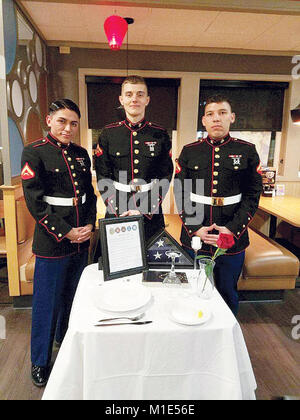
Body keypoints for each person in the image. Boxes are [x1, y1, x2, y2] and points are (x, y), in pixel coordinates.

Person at [21, 99, 97, 387]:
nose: (68, 128)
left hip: (81, 241)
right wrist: (66, 231)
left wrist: (89, 225)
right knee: (46, 304)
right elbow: (36, 202)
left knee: (74, 298)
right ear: (50, 120)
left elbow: (88, 194)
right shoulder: (35, 152)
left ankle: (64, 342)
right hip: (53, 241)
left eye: (73, 123)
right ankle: (39, 360)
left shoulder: (80, 154)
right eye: (62, 121)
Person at [174, 95, 262, 315]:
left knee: (226, 292)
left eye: (222, 113)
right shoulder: (190, 151)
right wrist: (195, 228)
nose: (217, 119)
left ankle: (226, 340)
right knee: (193, 291)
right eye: (211, 114)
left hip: (231, 235)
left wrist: (232, 229)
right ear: (203, 120)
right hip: (196, 233)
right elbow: (181, 191)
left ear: (231, 118)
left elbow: (252, 195)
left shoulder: (247, 151)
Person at [94, 75, 173, 245]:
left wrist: (144, 209)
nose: (134, 99)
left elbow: (165, 174)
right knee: (118, 263)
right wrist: (118, 207)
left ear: (147, 99)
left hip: (150, 213)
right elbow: (102, 175)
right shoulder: (108, 134)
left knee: (153, 263)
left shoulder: (160, 134)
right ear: (121, 99)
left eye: (140, 94)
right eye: (129, 94)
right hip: (117, 210)